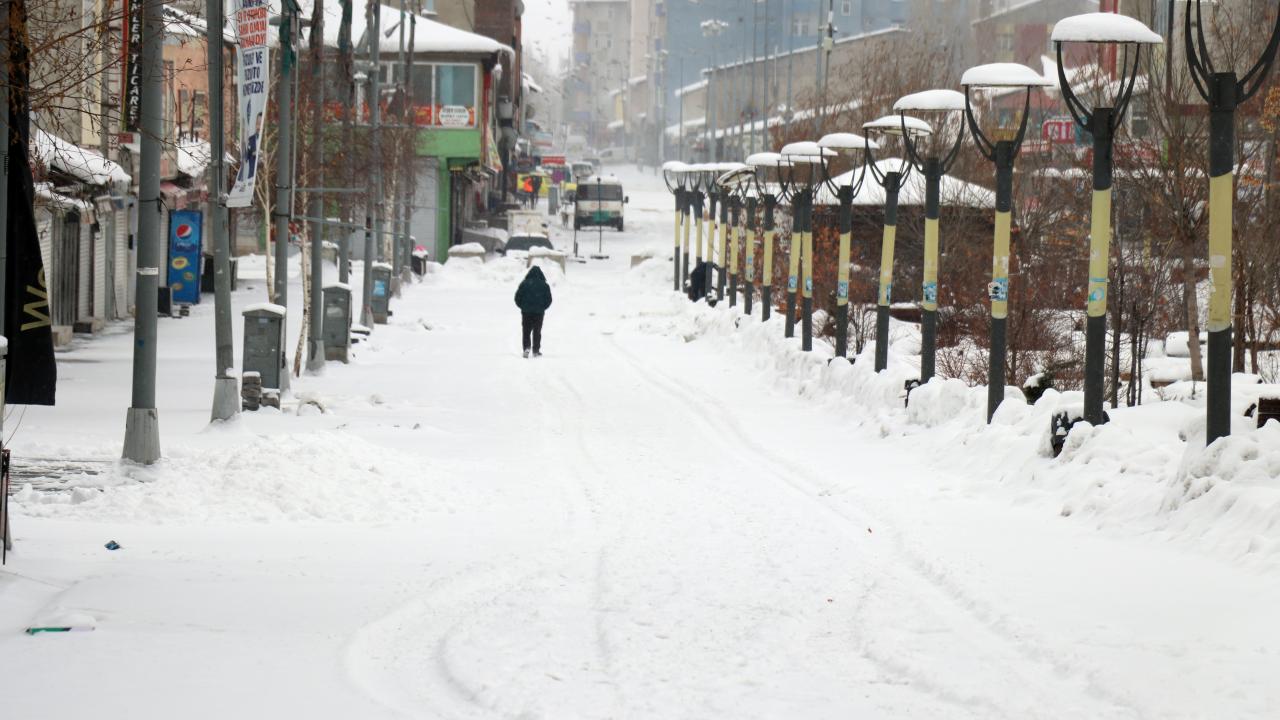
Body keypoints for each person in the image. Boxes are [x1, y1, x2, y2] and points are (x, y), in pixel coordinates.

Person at [514, 266, 553, 357]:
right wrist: (542, 307)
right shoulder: (544, 285)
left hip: (526, 312)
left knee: (526, 331)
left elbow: (517, 298)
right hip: (539, 313)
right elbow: (549, 299)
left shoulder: (524, 284)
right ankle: (536, 350)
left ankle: (526, 348)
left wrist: (523, 307)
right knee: (537, 331)